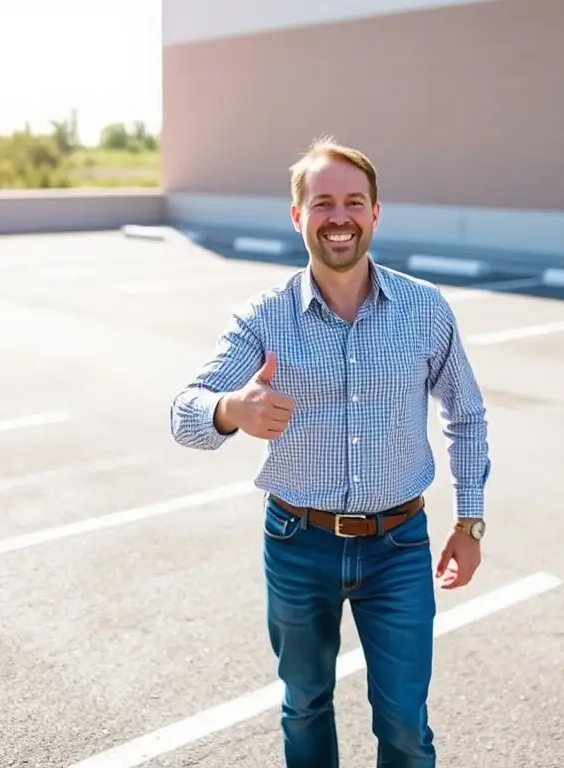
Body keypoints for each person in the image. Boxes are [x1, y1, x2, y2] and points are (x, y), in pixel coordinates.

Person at [169, 136, 491, 768]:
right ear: (298, 216)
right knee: (304, 703)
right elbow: (185, 412)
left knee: (403, 723)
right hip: (297, 544)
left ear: (375, 213)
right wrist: (231, 410)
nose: (338, 217)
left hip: (399, 547)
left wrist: (470, 522)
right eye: (322, 203)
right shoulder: (263, 318)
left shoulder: (425, 310)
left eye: (353, 201)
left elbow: (468, 414)